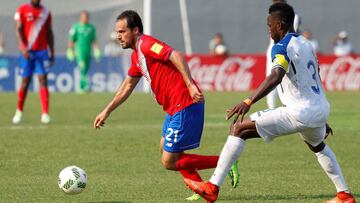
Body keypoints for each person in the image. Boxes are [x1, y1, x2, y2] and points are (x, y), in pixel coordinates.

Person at [185, 3, 356, 203]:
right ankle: (344, 194)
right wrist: (319, 117)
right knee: (318, 146)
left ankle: (212, 187)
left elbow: (276, 75)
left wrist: (248, 100)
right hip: (318, 110)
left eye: (270, 25)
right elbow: (314, 77)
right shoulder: (306, 43)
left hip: (298, 112)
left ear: (280, 24)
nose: (268, 30)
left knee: (238, 128)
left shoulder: (282, 46)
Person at [93, 10, 239, 201]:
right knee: (166, 148)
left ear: (135, 30)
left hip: (184, 103)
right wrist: (107, 111)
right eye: (117, 32)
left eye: (122, 31)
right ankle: (201, 188)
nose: (118, 36)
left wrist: (189, 85)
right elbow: (127, 86)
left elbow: (176, 55)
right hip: (173, 108)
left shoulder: (146, 44)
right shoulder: (136, 56)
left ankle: (225, 162)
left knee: (169, 161)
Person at [12, 0, 54, 124]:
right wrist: (23, 47)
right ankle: (19, 111)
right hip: (27, 52)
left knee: (43, 80)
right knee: (25, 82)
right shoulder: (22, 10)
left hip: (42, 52)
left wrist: (52, 51)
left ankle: (45, 114)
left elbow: (49, 32)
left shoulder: (46, 12)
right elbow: (18, 30)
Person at [265, 0, 301, 109]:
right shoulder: (273, 15)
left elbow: (291, 32)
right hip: (279, 47)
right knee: (272, 78)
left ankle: (286, 108)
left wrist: (249, 101)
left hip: (285, 47)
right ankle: (272, 108)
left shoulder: (292, 16)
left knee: (278, 77)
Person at [67, 10, 101, 93]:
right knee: (82, 67)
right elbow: (71, 40)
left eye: (86, 17)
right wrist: (70, 50)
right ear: (81, 17)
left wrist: (96, 50)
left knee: (85, 69)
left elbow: (94, 40)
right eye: (83, 17)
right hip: (79, 51)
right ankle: (84, 86)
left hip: (88, 51)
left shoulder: (91, 28)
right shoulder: (76, 27)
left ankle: (81, 86)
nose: (85, 18)